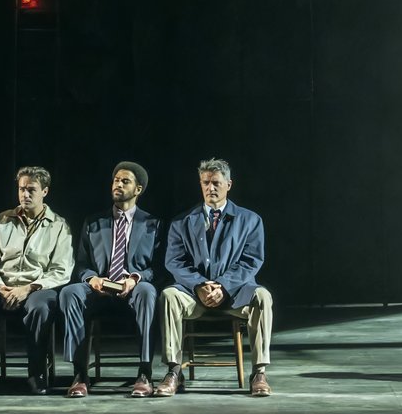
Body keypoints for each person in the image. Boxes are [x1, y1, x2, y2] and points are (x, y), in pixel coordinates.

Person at [154, 158, 274, 397]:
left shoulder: (250, 220)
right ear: (200, 184)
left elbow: (251, 261)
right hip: (194, 295)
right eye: (206, 182)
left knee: (263, 296)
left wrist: (223, 286)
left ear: (229, 184)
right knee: (168, 295)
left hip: (235, 294)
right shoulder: (182, 222)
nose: (211, 188)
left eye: (216, 183)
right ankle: (174, 371)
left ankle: (259, 372)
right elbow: (175, 261)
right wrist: (199, 285)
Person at [0, 166, 74, 399]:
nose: (25, 195)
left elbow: (61, 270)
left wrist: (27, 289)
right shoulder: (2, 220)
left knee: (42, 306)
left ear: (45, 192)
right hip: (1, 287)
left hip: (36, 288)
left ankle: (35, 373)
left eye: (31, 190)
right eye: (21, 189)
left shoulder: (58, 225)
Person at [59, 161, 163, 397]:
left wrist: (135, 278)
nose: (118, 184)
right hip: (99, 289)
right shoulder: (94, 222)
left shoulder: (152, 224)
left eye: (125, 181)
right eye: (116, 180)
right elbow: (82, 264)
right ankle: (79, 374)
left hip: (133, 289)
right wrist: (91, 279)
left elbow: (158, 267)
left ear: (138, 189)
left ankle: (145, 372)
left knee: (148, 291)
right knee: (69, 292)